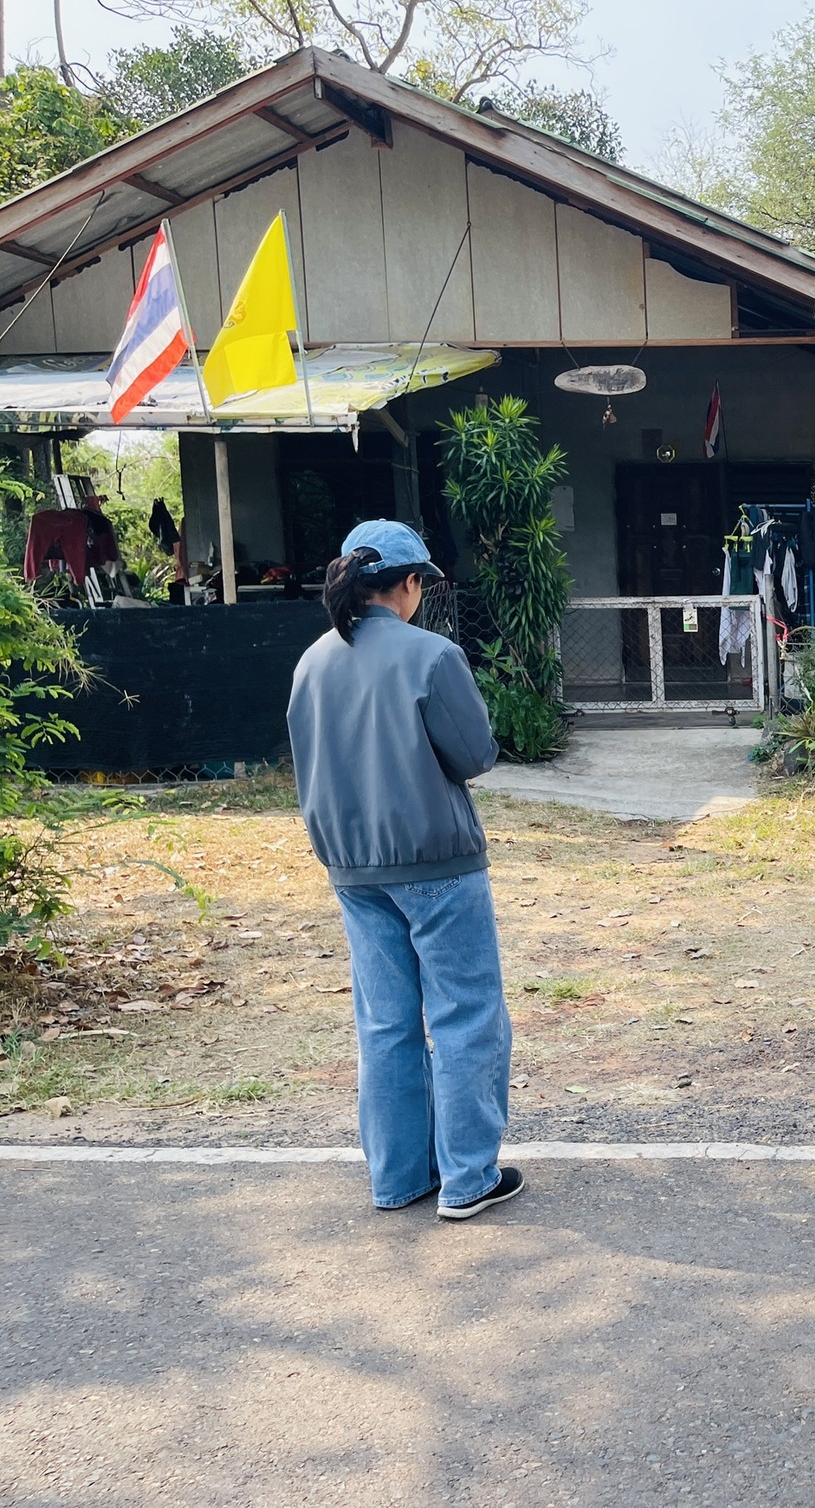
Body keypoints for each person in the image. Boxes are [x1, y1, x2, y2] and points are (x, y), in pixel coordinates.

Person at [287, 520, 523, 1221]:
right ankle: (468, 1177)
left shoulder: (312, 661)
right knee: (466, 1013)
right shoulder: (432, 655)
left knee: (384, 1021)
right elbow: (475, 754)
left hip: (351, 867)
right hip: (437, 861)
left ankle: (397, 1177)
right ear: (410, 583)